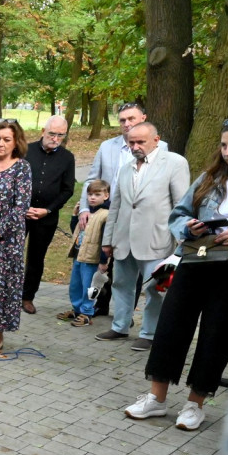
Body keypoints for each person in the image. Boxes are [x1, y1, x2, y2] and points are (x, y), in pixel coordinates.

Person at [123, 117, 228, 430]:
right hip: (196, 261)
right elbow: (179, 214)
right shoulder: (210, 177)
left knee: (217, 336)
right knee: (171, 326)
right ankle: (156, 399)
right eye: (224, 145)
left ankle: (195, 403)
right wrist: (188, 228)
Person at [97, 122, 190, 351]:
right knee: (121, 284)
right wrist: (108, 240)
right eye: (131, 142)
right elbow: (116, 206)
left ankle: (149, 333)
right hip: (123, 239)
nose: (135, 146)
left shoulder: (175, 163)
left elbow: (181, 205)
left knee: (154, 288)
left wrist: (181, 242)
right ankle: (120, 326)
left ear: (156, 140)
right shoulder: (127, 167)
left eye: (141, 142)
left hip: (156, 239)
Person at [75, 102, 168, 317]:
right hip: (106, 214)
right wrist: (85, 209)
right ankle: (98, 305)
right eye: (123, 120)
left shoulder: (161, 148)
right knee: (100, 261)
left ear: (143, 118)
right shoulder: (108, 146)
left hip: (141, 218)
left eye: (132, 119)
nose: (127, 124)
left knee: (131, 268)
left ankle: (125, 314)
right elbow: (92, 179)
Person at [0, 119, 32, 353]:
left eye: (6, 140)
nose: (0, 144)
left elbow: (19, 208)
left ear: (15, 143)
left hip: (7, 240)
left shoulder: (21, 168)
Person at [21, 115, 75, 314]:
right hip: (20, 213)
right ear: (43, 131)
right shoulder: (25, 151)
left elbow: (68, 190)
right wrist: (21, 206)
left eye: (60, 135)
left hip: (46, 216)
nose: (55, 138)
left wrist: (48, 210)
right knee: (12, 254)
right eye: (52, 133)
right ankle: (6, 292)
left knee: (36, 257)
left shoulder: (67, 158)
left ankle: (27, 297)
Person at [58, 180, 110, 327]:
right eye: (90, 194)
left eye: (97, 194)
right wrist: (75, 216)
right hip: (79, 255)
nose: (92, 197)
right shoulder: (86, 213)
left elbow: (106, 240)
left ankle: (87, 313)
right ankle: (77, 309)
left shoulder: (105, 215)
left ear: (106, 196)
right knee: (75, 285)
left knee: (90, 287)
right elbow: (76, 230)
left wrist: (103, 260)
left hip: (93, 259)